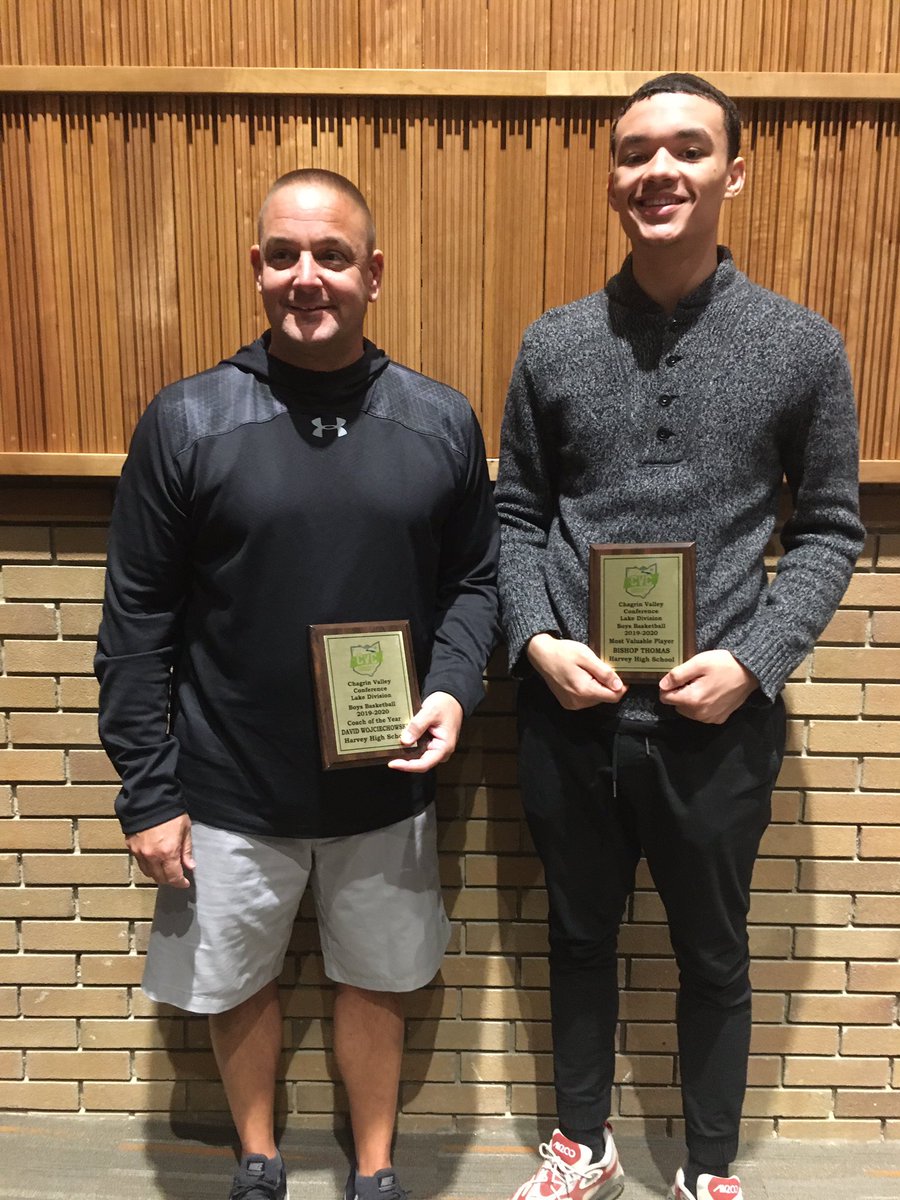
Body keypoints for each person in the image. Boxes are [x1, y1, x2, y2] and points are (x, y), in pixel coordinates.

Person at [95, 169, 498, 1200]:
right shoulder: (188, 420)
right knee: (239, 981)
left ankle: (372, 1168)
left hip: (386, 781)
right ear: (257, 268)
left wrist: (453, 687)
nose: (305, 277)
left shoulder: (439, 422)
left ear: (374, 273)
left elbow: (476, 584)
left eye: (329, 256)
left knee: (377, 981)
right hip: (228, 785)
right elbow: (136, 623)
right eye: (283, 255)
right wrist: (150, 788)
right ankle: (260, 1157)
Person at [495, 74, 863, 1200]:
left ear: (732, 173)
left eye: (689, 150)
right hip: (573, 715)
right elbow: (513, 515)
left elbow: (832, 528)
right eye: (637, 152)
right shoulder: (553, 343)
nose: (660, 170)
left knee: (713, 954)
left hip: (719, 722)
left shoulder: (803, 347)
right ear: (613, 179)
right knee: (577, 938)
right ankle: (583, 1145)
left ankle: (707, 1170)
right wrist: (536, 641)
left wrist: (757, 659)